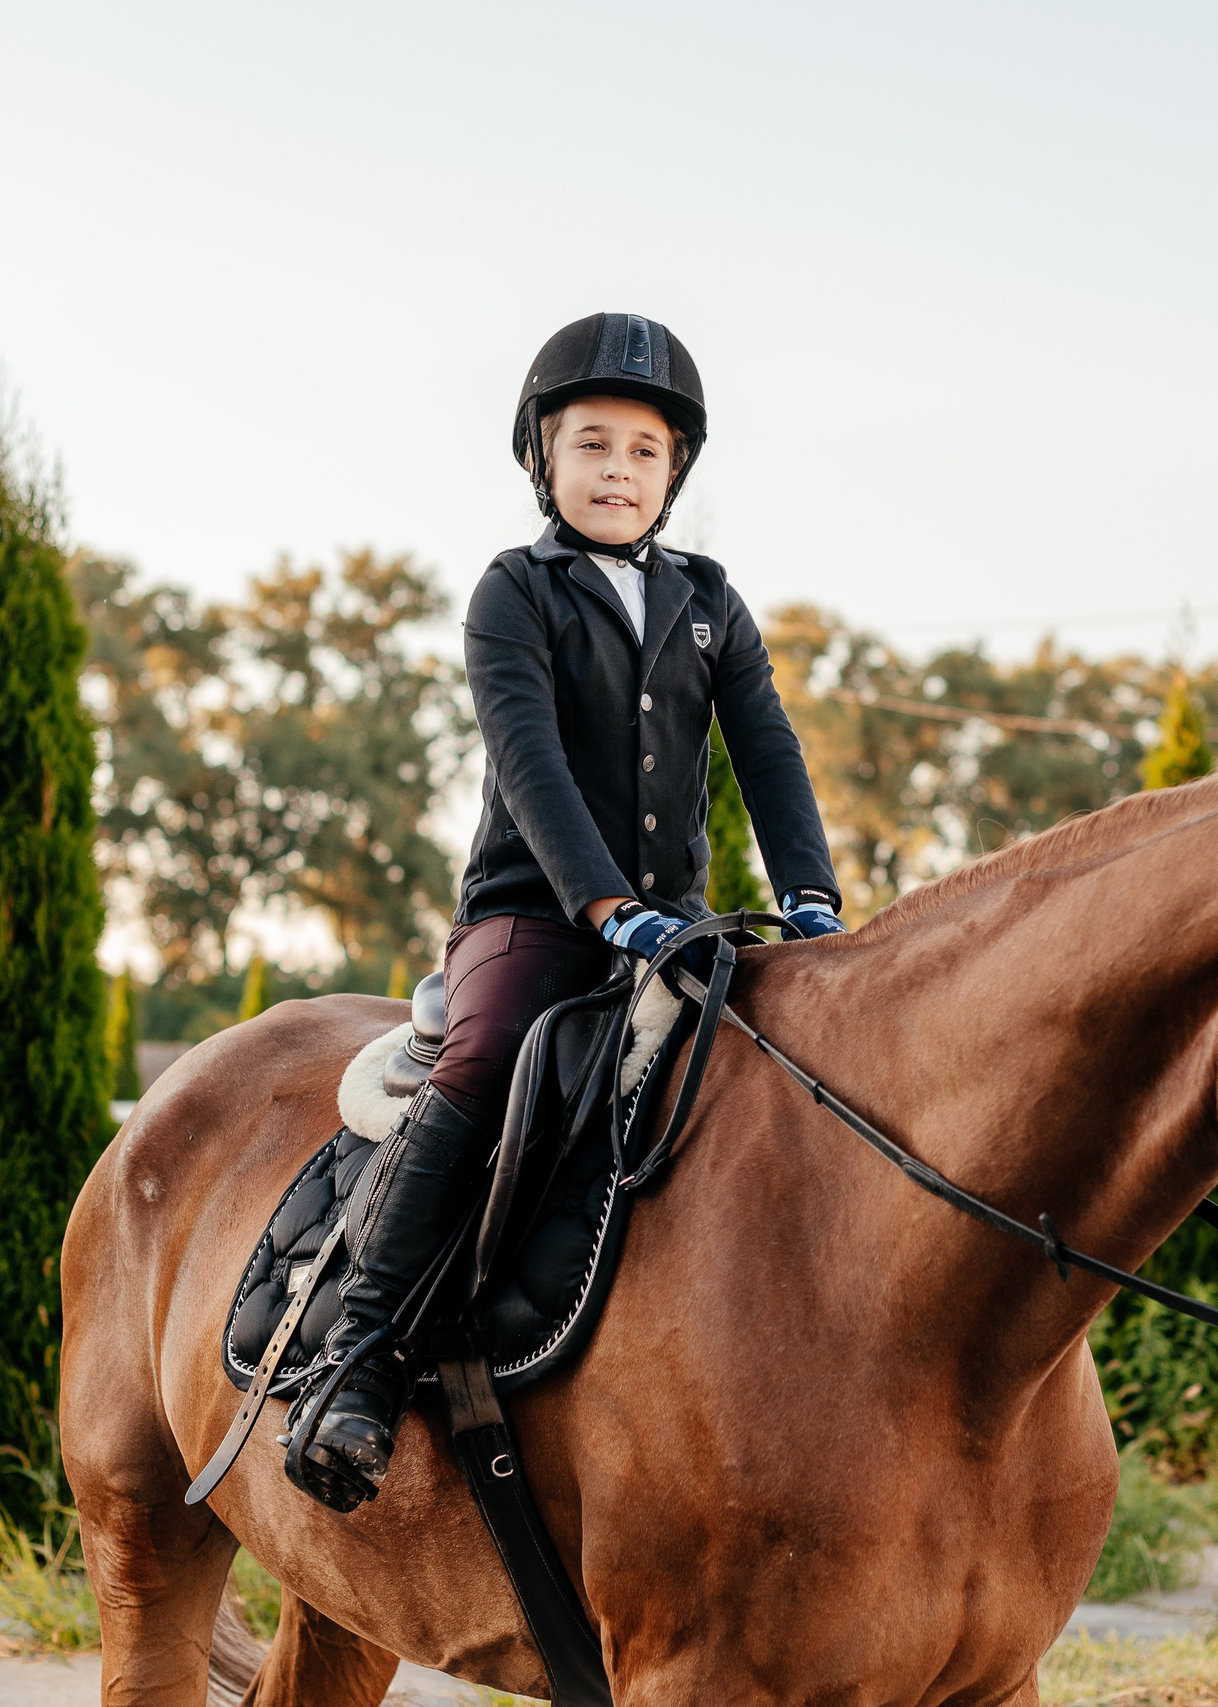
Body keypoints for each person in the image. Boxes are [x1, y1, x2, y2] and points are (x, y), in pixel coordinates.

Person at [309, 312, 850, 1509]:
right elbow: (531, 762)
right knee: (489, 1055)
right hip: (537, 917)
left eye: (644, 451)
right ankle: (359, 1356)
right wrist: (605, 908)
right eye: (593, 444)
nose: (618, 469)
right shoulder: (516, 593)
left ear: (675, 474)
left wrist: (810, 898)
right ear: (542, 460)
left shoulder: (712, 603)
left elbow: (766, 752)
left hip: (684, 929)